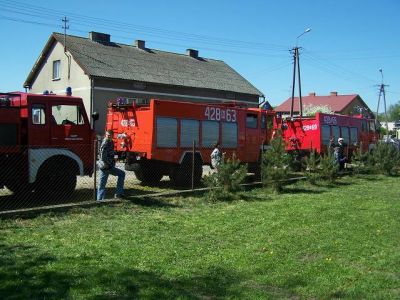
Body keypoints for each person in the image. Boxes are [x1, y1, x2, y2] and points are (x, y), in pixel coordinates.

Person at [97, 129, 126, 200]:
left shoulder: (111, 142)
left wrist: (114, 159)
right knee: (102, 184)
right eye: (107, 135)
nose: (108, 136)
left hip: (110, 166)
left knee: (122, 174)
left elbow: (111, 153)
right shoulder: (105, 143)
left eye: (110, 135)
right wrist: (107, 163)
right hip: (105, 166)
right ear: (105, 135)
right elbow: (102, 155)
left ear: (112, 136)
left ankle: (119, 194)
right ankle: (100, 200)